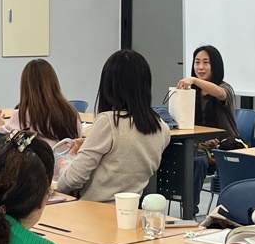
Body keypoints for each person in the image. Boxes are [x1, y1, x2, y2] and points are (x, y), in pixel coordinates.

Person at [55, 50, 169, 202]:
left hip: (91, 210)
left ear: (109, 86)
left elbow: (70, 181)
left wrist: (66, 162)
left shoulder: (108, 122)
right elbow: (122, 155)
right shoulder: (162, 128)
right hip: (130, 210)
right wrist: (89, 144)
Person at [178, 44, 242, 201]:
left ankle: (190, 208)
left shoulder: (224, 88)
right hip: (199, 145)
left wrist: (194, 80)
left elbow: (220, 93)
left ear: (216, 65)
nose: (200, 67)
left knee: (196, 161)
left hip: (224, 147)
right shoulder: (192, 91)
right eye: (197, 62)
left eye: (206, 63)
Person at [0, 59, 82, 148]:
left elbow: (0, 146)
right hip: (67, 156)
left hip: (38, 157)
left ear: (25, 86)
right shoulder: (71, 114)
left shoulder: (21, 116)